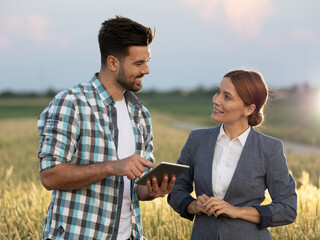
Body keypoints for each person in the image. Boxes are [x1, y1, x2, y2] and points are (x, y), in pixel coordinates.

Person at [37, 16, 175, 240]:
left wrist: (151, 189)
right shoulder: (71, 103)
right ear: (112, 63)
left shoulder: (141, 114)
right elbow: (50, 176)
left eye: (147, 61)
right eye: (139, 63)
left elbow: (137, 188)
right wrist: (112, 167)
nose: (147, 70)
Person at [167, 70, 297, 239]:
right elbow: (176, 189)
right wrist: (193, 206)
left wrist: (237, 211)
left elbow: (288, 209)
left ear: (248, 109)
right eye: (217, 92)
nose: (216, 100)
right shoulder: (197, 140)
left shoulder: (270, 148)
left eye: (227, 97)